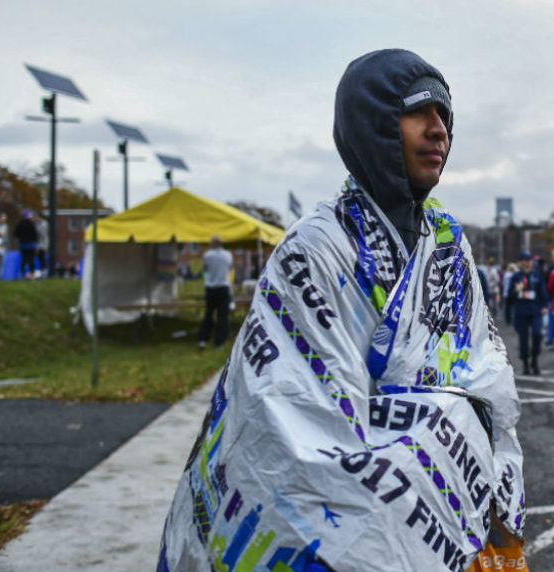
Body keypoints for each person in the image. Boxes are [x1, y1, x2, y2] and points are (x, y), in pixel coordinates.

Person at [159, 49, 525, 571]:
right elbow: (290, 418)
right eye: (419, 112)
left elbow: (486, 379)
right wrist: (428, 431)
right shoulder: (318, 248)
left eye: (445, 116)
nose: (439, 130)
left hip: (446, 520)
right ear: (372, 123)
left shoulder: (449, 247)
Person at [507, 251, 547, 375]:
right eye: (525, 260)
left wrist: (544, 306)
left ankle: (534, 360)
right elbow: (509, 295)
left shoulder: (536, 275)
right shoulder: (516, 276)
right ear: (520, 262)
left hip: (535, 310)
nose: (527, 262)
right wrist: (516, 290)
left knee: (537, 335)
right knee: (523, 338)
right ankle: (525, 363)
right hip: (521, 311)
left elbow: (543, 292)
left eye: (529, 260)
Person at [196, 235, 234, 349]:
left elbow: (205, 269)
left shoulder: (207, 255)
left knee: (208, 314)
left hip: (211, 288)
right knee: (222, 316)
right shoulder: (228, 255)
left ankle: (203, 339)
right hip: (223, 287)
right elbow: (230, 267)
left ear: (213, 243)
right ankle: (219, 342)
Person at [15, 210, 38, 278]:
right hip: (31, 244)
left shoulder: (19, 224)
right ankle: (32, 274)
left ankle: (23, 273)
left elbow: (16, 234)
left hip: (23, 244)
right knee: (31, 259)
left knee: (24, 259)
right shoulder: (32, 223)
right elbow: (35, 234)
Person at [35, 211, 49, 277]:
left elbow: (42, 235)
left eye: (37, 217)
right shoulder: (37, 224)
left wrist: (45, 246)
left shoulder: (44, 224)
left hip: (42, 244)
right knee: (39, 259)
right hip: (39, 244)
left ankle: (44, 272)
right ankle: (40, 271)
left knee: (42, 258)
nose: (36, 219)